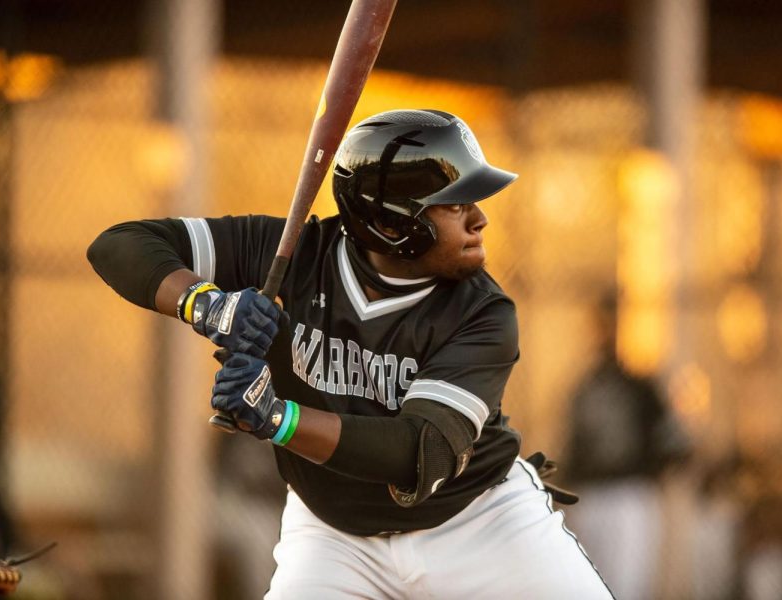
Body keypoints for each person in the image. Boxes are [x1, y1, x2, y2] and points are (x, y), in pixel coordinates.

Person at [88, 109, 613, 598]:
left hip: (477, 520)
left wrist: (277, 418)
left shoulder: (483, 312)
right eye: (456, 203)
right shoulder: (292, 252)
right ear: (392, 222)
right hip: (333, 534)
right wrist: (210, 306)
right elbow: (119, 244)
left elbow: (417, 450)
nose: (479, 220)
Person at [562, 294, 691, 600]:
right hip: (590, 496)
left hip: (631, 496)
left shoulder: (642, 387)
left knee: (627, 587)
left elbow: (675, 447)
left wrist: (651, 474)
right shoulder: (584, 388)